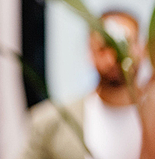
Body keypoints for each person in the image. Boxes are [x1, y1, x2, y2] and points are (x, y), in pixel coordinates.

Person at [22, 10, 145, 159]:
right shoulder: (52, 122)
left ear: (142, 49)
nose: (114, 57)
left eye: (124, 45)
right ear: (90, 51)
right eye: (104, 48)